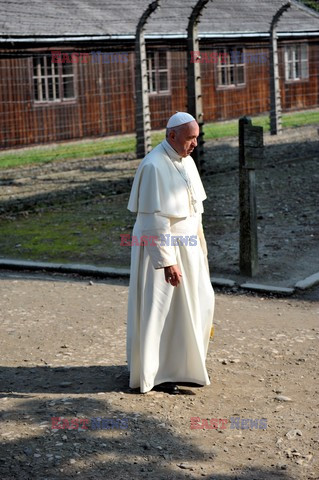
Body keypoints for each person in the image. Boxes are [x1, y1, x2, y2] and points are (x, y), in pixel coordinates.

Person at [126, 112, 215, 394]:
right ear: (172, 135)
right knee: (160, 310)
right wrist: (167, 262)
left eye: (197, 138)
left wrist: (201, 247)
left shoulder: (187, 162)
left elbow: (195, 209)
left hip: (189, 251)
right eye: (190, 138)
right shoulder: (153, 165)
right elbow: (154, 220)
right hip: (164, 253)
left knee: (200, 303)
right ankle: (156, 372)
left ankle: (185, 367)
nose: (195, 145)